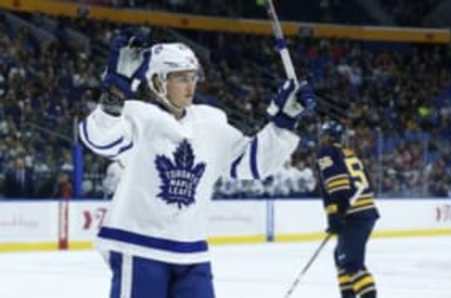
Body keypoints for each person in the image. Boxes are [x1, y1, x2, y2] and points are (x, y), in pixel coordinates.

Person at [78, 31, 316, 298]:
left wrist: (284, 121)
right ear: (158, 81)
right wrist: (114, 91)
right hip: (139, 248)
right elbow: (98, 139)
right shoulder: (136, 116)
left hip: (191, 253)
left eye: (193, 77)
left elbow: (253, 163)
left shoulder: (211, 123)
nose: (190, 86)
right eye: (181, 78)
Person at [315, 120, 380, 298]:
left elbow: (337, 182)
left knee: (351, 262)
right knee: (340, 258)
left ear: (326, 136)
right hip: (364, 211)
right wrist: (334, 214)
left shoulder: (327, 151)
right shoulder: (349, 153)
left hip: (354, 214)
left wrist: (337, 212)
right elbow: (368, 183)